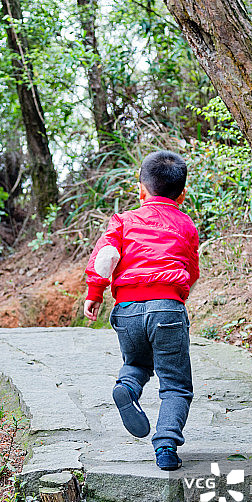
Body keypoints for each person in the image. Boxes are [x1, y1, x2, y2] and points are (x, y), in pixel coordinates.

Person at [83, 150, 199, 471]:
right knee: (175, 385)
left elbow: (103, 257)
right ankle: (166, 446)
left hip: (127, 310)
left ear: (140, 189)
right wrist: (175, 296)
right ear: (183, 193)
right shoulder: (186, 225)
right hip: (167, 309)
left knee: (136, 362)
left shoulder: (122, 221)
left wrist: (94, 293)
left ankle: (126, 388)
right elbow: (191, 269)